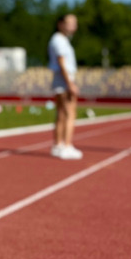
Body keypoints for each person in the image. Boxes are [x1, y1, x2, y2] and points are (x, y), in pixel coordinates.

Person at [48, 13, 82, 159]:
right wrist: (70, 84)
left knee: (61, 113)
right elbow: (62, 62)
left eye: (75, 22)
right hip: (64, 79)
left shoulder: (60, 40)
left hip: (60, 79)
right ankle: (67, 146)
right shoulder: (59, 40)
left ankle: (58, 145)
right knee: (70, 113)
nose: (74, 25)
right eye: (70, 22)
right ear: (60, 24)